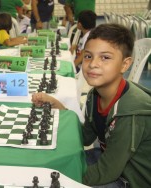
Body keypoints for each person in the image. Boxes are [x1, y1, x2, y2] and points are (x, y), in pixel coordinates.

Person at [32, 23, 151, 187]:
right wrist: (58, 105)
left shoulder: (130, 113)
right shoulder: (94, 95)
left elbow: (107, 172)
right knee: (52, 161)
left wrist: (63, 181)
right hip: (108, 159)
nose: (93, 64)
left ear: (125, 64)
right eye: (88, 56)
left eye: (105, 57)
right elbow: (86, 136)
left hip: (130, 179)